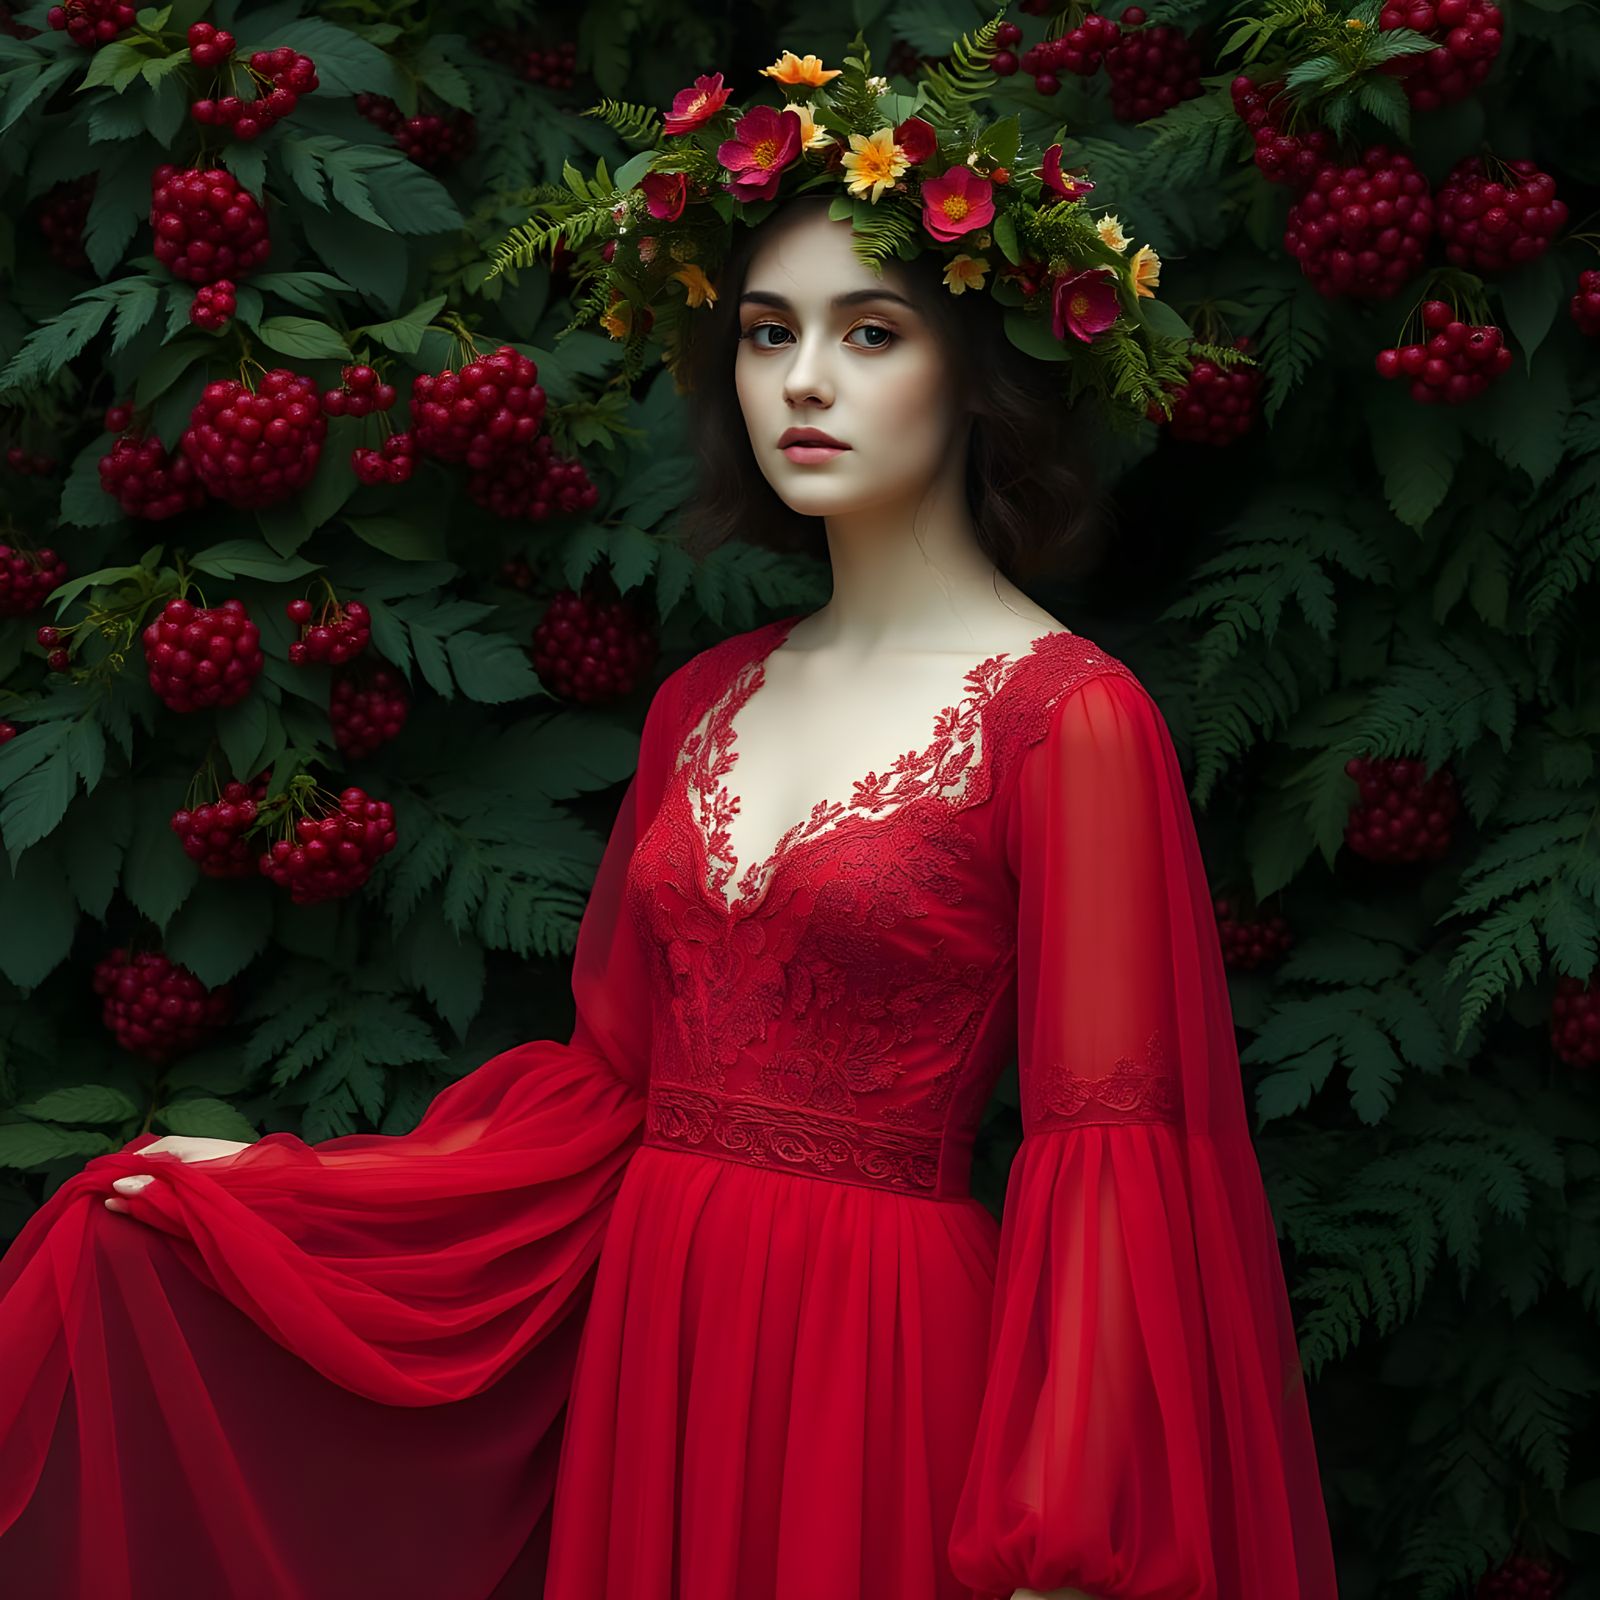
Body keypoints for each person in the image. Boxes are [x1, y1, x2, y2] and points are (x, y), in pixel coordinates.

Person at [0, 45, 1340, 1600]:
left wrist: (1073, 1526)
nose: (806, 383)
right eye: (769, 335)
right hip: (663, 1338)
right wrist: (280, 1199)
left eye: (872, 333)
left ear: (981, 379)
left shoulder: (1070, 721)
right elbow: (600, 1099)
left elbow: (1111, 1152)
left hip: (884, 1365)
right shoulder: (699, 699)